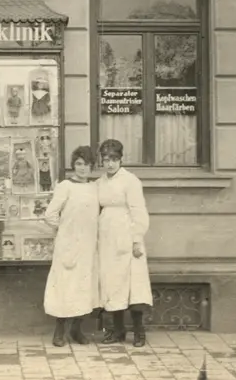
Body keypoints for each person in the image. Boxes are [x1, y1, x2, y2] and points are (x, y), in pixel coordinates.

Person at [94, 138, 152, 347]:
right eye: (106, 159)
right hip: (107, 239)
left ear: (121, 160)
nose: (110, 163)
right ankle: (118, 331)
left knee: (132, 285)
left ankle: (139, 333)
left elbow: (139, 211)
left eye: (114, 159)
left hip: (127, 237)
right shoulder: (99, 183)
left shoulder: (131, 181)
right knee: (112, 284)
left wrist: (137, 240)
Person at [42, 145, 100, 346]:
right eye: (79, 164)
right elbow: (49, 215)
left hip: (89, 246)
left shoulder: (95, 187)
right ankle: (59, 331)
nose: (82, 168)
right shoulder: (65, 186)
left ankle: (77, 329)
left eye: (87, 164)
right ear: (73, 165)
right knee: (65, 286)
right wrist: (65, 230)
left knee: (83, 287)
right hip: (68, 245)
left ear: (93, 166)